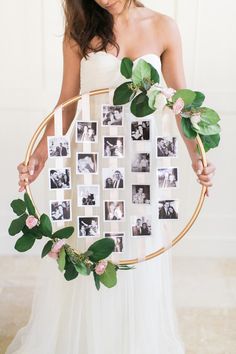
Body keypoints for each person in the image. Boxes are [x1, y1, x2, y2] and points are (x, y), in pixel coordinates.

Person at [13, 1, 216, 353]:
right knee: (94, 243)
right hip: (93, 163)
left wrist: (199, 158)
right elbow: (67, 102)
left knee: (138, 245)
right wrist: (38, 156)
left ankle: (134, 341)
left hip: (144, 164)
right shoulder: (80, 32)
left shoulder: (164, 27)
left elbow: (181, 104)